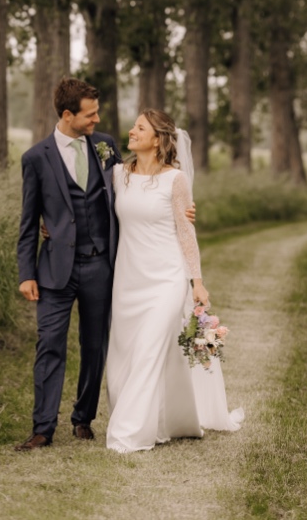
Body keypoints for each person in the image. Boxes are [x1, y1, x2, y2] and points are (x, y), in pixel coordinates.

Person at [103, 108, 242, 453]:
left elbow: (185, 232)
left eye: (140, 128)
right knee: (127, 352)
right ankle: (171, 418)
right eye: (133, 126)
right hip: (128, 278)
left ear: (157, 139)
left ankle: (129, 432)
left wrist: (197, 281)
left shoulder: (175, 180)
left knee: (150, 348)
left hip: (166, 277)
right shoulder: (118, 174)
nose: (131, 132)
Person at [14, 78, 121, 449]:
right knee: (50, 345)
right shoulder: (36, 159)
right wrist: (26, 273)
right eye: (90, 114)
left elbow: (132, 189)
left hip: (99, 266)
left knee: (95, 345)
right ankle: (43, 427)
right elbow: (29, 222)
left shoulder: (106, 146)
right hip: (55, 270)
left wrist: (175, 201)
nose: (97, 119)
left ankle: (83, 417)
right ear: (67, 115)